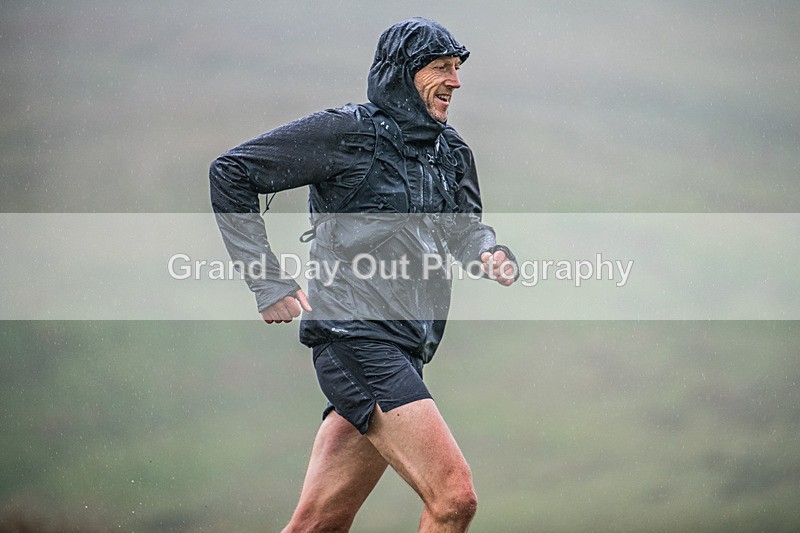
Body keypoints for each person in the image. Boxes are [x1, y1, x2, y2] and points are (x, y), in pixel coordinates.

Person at [210, 17, 517, 532]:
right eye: (441, 68)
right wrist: (267, 280)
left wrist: (489, 252)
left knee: (319, 524)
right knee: (454, 498)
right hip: (354, 337)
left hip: (408, 347)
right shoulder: (347, 132)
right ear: (405, 72)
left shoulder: (451, 151)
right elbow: (231, 171)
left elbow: (463, 231)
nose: (456, 81)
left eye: (458, 68)